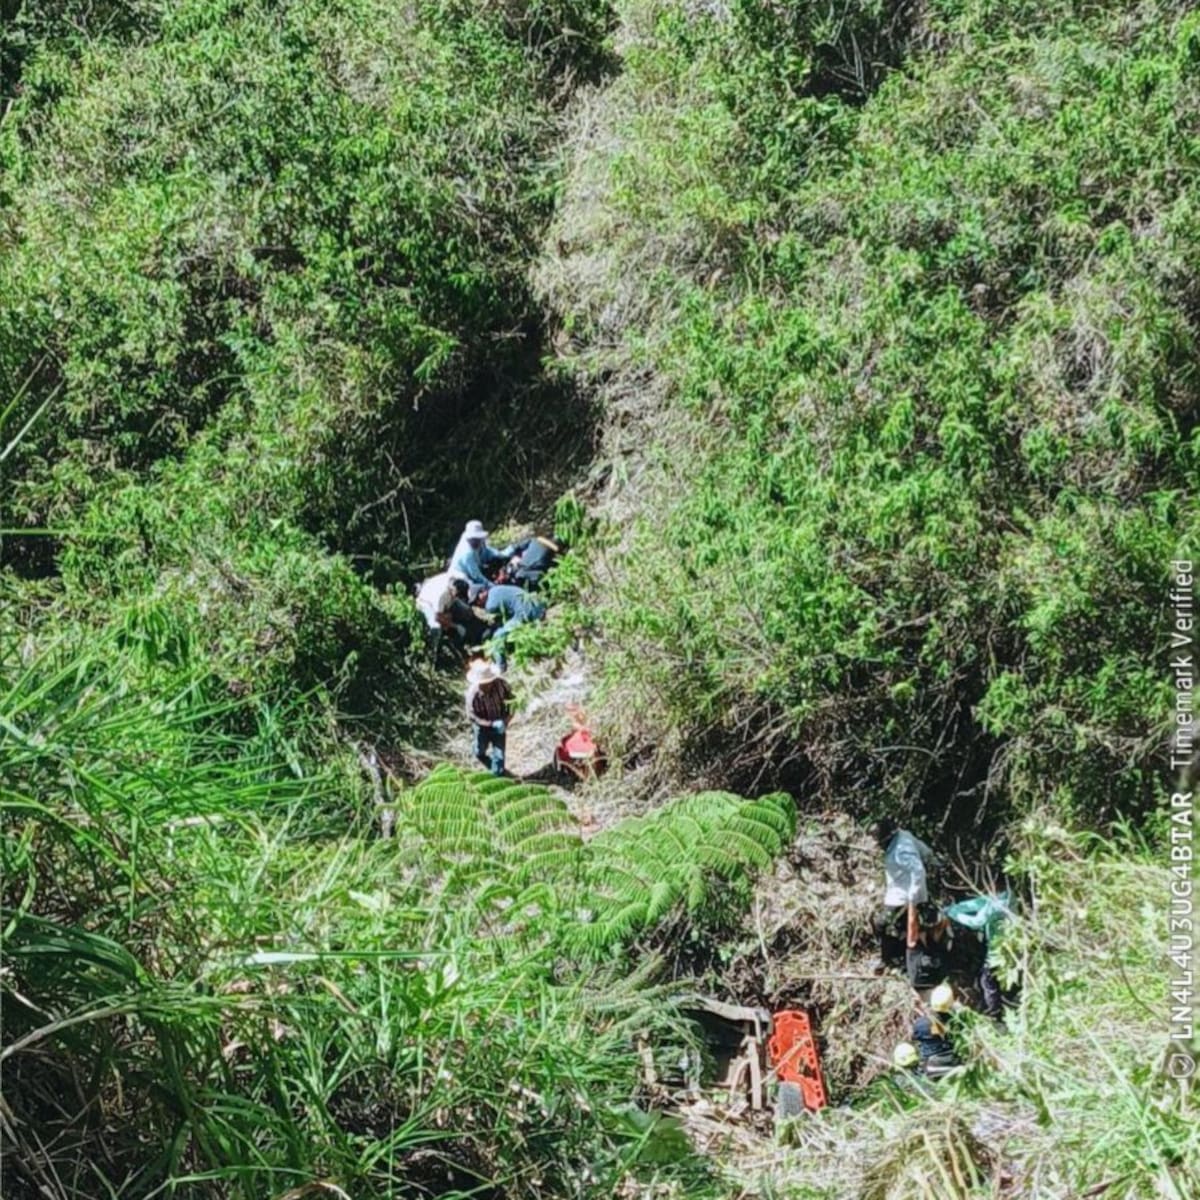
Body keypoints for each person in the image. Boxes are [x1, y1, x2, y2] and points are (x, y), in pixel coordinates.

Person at [871, 817, 937, 968]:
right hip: (899, 891)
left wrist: (912, 898)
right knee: (902, 926)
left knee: (881, 924)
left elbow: (918, 870)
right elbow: (924, 850)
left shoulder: (901, 851)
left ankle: (887, 959)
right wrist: (934, 861)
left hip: (902, 896)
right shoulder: (903, 835)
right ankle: (901, 957)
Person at [945, 892, 1014, 1024]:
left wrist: (952, 913)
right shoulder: (1005, 896)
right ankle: (1003, 1008)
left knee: (988, 982)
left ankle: (995, 1015)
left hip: (998, 953)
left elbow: (977, 922)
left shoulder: (997, 904)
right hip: (1004, 950)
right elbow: (977, 903)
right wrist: (956, 907)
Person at [469, 582, 546, 670]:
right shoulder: (495, 589)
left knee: (497, 637)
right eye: (475, 603)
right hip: (536, 604)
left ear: (483, 592)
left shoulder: (490, 605)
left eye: (477, 599)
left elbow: (502, 619)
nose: (478, 603)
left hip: (527, 613)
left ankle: (501, 667)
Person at [465, 659, 513, 776]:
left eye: (489, 682)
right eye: (484, 683)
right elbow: (472, 715)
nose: (487, 685)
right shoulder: (473, 695)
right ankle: (481, 755)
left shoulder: (502, 685)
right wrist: (490, 724)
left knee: (499, 756)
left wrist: (506, 720)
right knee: (479, 751)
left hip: (500, 724)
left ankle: (497, 775)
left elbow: (513, 702)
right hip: (483, 727)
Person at [911, 983, 961, 1078]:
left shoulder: (921, 1024)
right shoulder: (957, 1023)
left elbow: (915, 1036)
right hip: (952, 1062)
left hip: (929, 1066)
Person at [906, 902, 952, 1003]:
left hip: (937, 990)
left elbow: (942, 926)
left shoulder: (933, 942)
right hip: (922, 991)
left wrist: (946, 913)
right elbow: (912, 924)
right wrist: (911, 902)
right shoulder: (915, 947)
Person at [448, 519, 514, 588]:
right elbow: (476, 575)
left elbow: (488, 552)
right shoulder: (466, 553)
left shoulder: (480, 542)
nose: (476, 542)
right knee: (472, 588)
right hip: (460, 574)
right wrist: (492, 585)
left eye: (478, 539)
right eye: (474, 539)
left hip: (475, 568)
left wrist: (506, 552)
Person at [436, 577, 493, 649]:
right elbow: (438, 617)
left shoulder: (459, 597)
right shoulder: (446, 598)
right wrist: (455, 626)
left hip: (468, 622)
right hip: (457, 627)